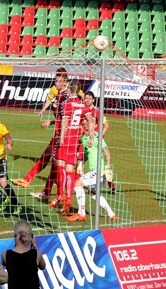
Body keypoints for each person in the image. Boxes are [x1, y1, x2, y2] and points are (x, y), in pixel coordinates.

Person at [12, 69, 70, 203]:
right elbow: (52, 103)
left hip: (62, 135)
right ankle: (45, 191)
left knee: (53, 162)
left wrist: (51, 122)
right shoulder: (58, 93)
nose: (56, 83)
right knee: (52, 162)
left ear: (65, 82)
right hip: (58, 133)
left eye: (60, 81)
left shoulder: (66, 96)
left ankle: (60, 193)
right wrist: (44, 111)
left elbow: (68, 119)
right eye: (56, 80)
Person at [56, 80, 95, 215]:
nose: (66, 90)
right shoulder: (83, 105)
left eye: (67, 88)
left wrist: (61, 137)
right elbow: (91, 120)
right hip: (76, 141)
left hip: (67, 139)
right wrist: (91, 137)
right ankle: (66, 198)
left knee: (62, 167)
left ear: (70, 90)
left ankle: (63, 196)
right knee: (70, 170)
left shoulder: (66, 103)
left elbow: (65, 122)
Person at [67, 127, 118, 222]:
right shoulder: (84, 138)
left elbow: (106, 151)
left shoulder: (96, 137)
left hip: (99, 170)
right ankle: (111, 214)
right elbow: (87, 153)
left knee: (78, 183)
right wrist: (81, 162)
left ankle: (81, 213)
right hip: (95, 170)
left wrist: (108, 165)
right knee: (93, 194)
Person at [84, 91, 116, 194]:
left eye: (89, 98)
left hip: (94, 141)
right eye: (85, 98)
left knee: (102, 164)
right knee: (80, 162)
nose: (87, 100)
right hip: (84, 139)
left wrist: (98, 137)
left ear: (93, 100)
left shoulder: (97, 112)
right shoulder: (82, 109)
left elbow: (106, 126)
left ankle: (111, 187)